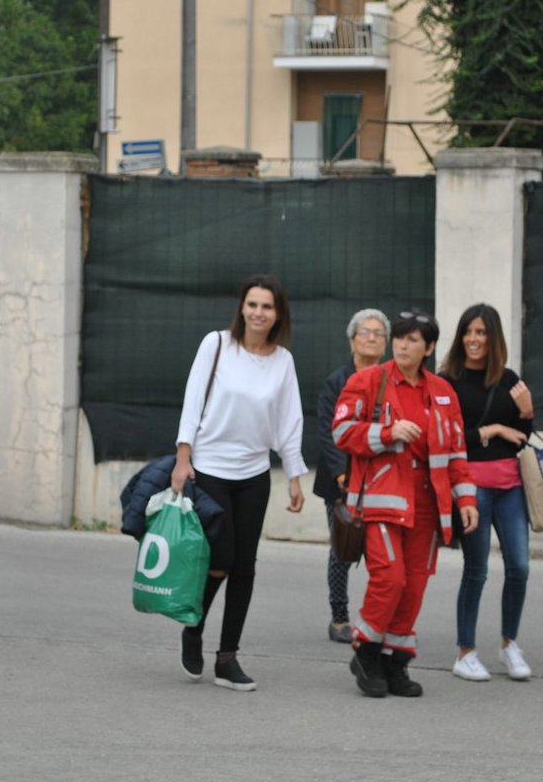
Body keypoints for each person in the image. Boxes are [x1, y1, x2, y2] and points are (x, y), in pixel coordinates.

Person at [170, 274, 307, 691]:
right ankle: (193, 628)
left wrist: (296, 474)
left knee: (245, 566)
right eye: (252, 304)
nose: (259, 313)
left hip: (254, 474)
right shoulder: (216, 345)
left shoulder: (282, 360)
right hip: (209, 469)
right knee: (220, 557)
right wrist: (183, 456)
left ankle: (227, 657)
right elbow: (193, 399)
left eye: (267, 306)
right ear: (242, 308)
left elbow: (289, 419)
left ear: (278, 313)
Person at [332, 310, 478, 699]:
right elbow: (342, 432)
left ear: (429, 347)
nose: (401, 344)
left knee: (413, 586)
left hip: (429, 504)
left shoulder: (443, 392)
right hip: (381, 500)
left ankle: (396, 661)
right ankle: (366, 651)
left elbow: (457, 451)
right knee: (390, 578)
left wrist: (466, 499)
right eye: (398, 337)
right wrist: (386, 432)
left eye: (412, 339)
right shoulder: (367, 381)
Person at [438, 303, 535, 683]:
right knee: (476, 571)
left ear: (493, 339)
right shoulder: (447, 381)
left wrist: (526, 412)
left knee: (520, 568)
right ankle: (465, 652)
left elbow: (523, 438)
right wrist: (493, 429)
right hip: (470, 488)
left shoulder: (509, 379)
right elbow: (447, 440)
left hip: (510, 487)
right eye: (468, 332)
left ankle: (510, 645)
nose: (473, 340)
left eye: (481, 333)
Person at [312, 308, 390, 644]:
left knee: (383, 553)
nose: (371, 337)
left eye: (378, 333)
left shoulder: (393, 381)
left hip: (384, 482)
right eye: (365, 332)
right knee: (343, 548)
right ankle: (340, 617)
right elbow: (328, 433)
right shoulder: (337, 381)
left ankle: (378, 617)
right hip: (342, 483)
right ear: (352, 340)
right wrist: (344, 477)